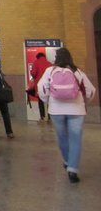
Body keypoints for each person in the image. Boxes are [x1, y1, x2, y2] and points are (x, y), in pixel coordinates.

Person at [37, 47, 95, 183]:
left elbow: (42, 89)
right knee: (75, 139)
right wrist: (83, 102)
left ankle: (67, 160)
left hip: (56, 110)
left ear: (56, 59)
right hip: (76, 110)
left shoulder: (50, 71)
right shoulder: (77, 71)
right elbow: (90, 91)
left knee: (62, 137)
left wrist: (48, 101)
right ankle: (73, 170)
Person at [30, 52, 51, 122]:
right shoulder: (49, 63)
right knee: (49, 102)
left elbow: (33, 73)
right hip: (48, 85)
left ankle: (42, 117)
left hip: (40, 85)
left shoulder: (36, 62)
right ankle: (50, 118)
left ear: (37, 57)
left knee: (40, 101)